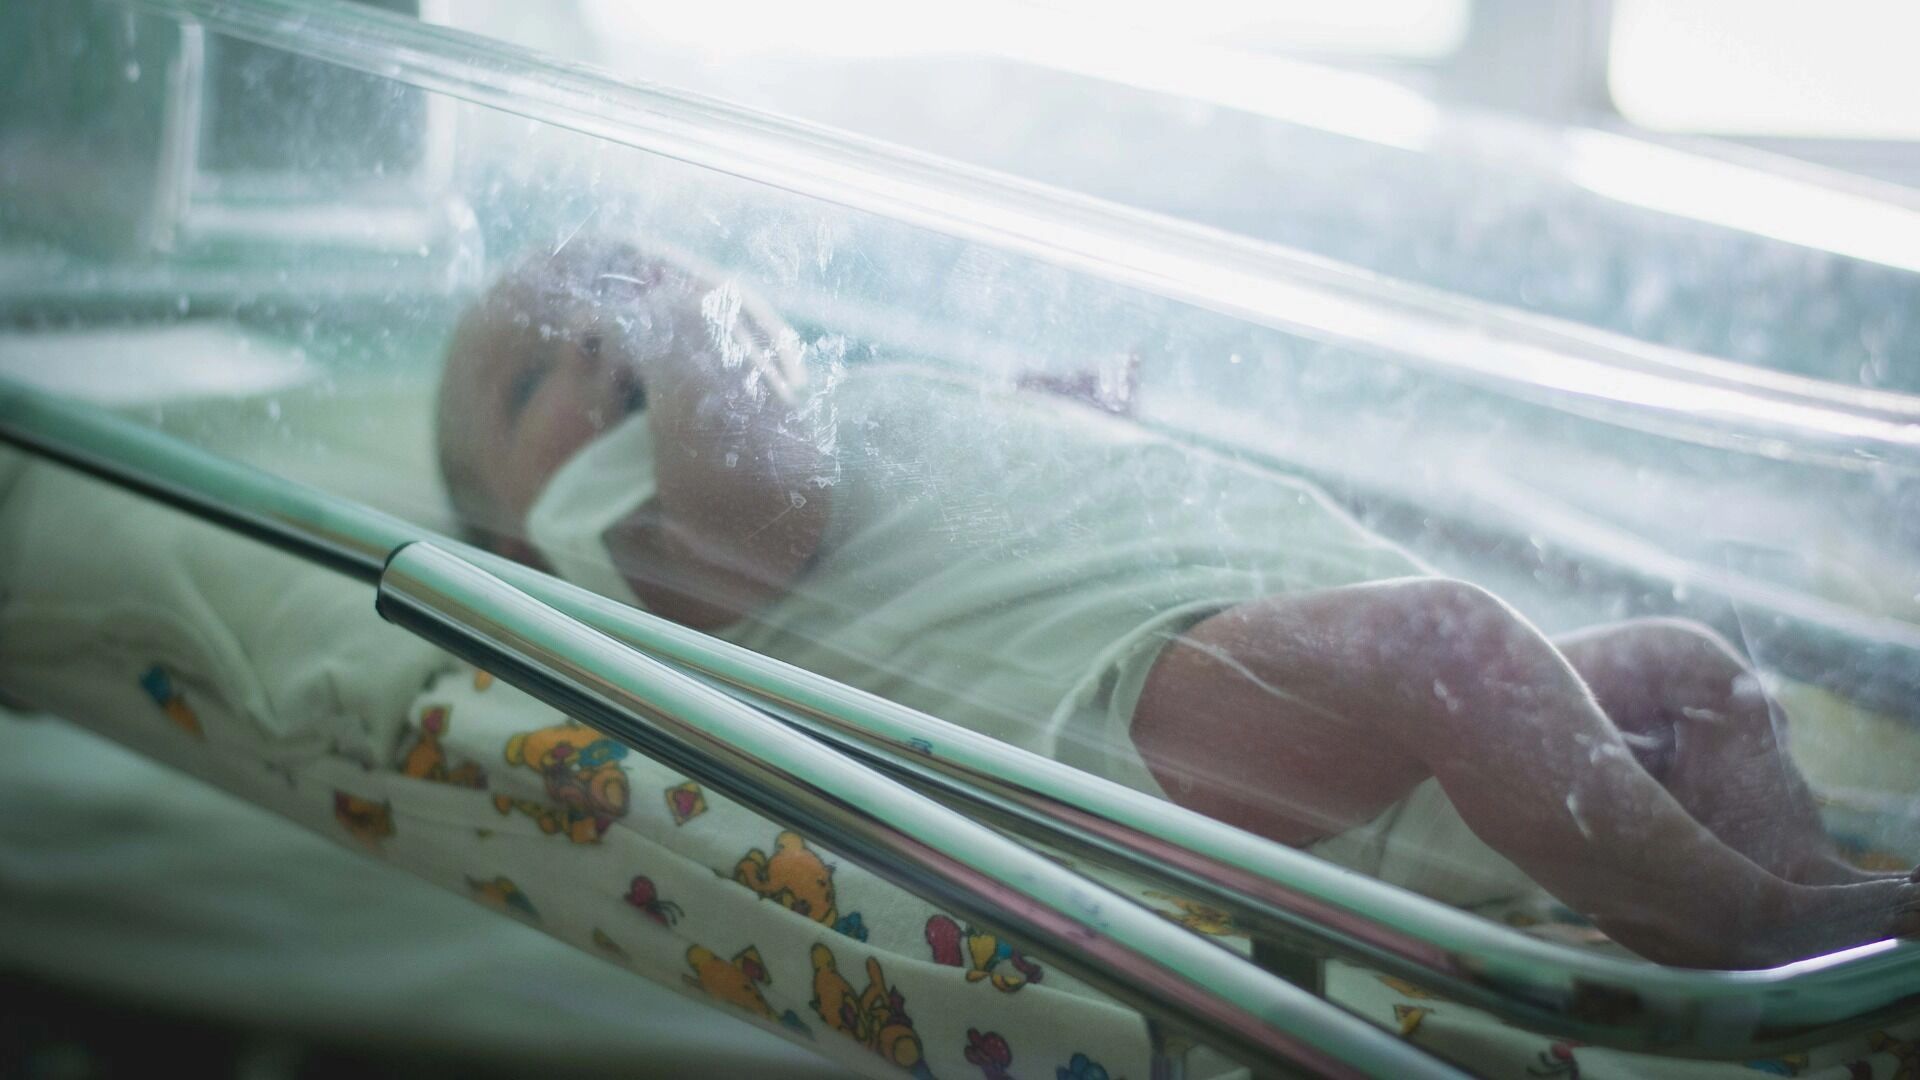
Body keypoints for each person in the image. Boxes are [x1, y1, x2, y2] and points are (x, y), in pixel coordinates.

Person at [436, 239, 1919, 970]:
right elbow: (756, 514)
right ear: (516, 538)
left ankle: (1808, 881)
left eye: (604, 301)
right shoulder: (608, 522)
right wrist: (690, 307)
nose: (593, 345)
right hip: (1118, 721)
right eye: (529, 380)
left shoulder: (825, 409)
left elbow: (922, 502)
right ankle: (1743, 923)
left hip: (1295, 684)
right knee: (1451, 643)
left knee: (1689, 671)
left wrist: (1038, 418)